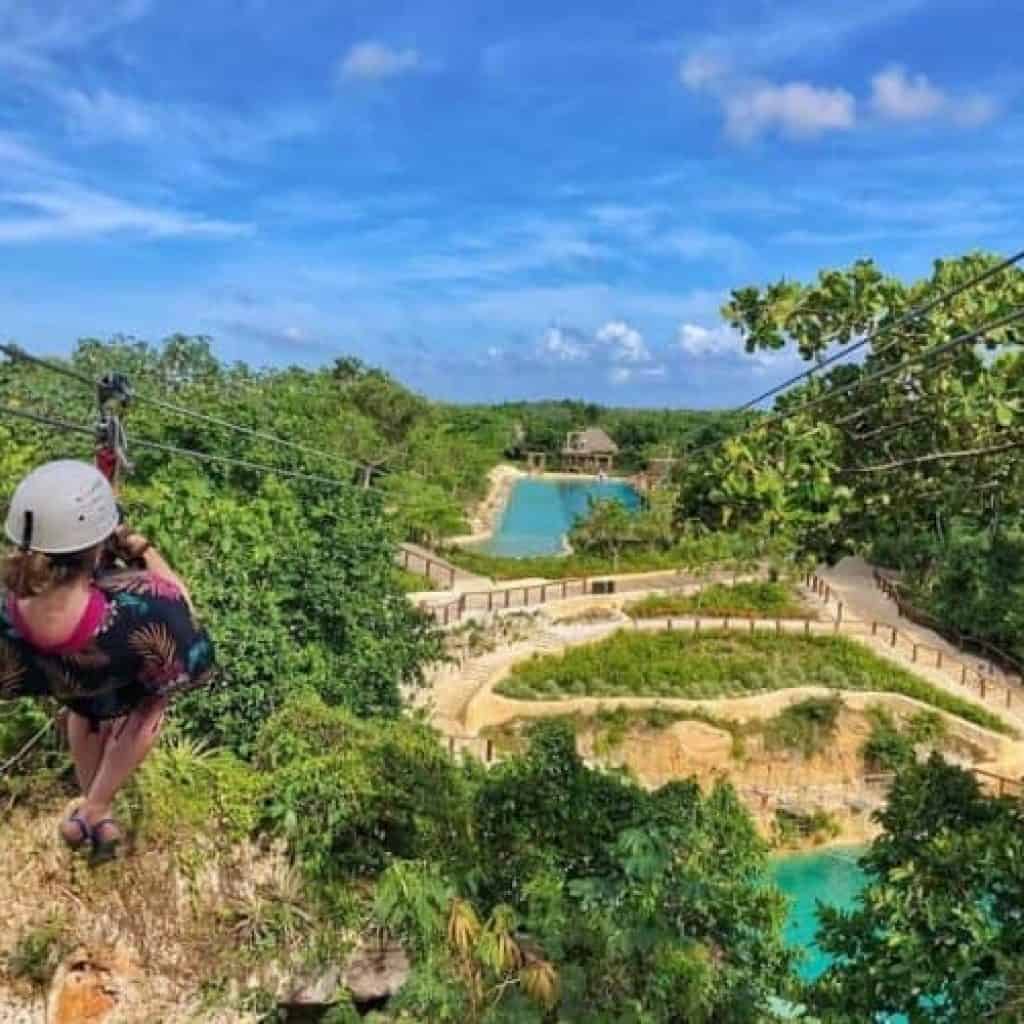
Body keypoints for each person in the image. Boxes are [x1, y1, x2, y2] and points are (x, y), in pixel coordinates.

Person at [0, 460, 215, 859]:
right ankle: (96, 807)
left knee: (85, 713)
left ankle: (92, 815)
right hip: (119, 679)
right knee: (151, 707)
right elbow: (179, 601)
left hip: (66, 684)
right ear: (96, 548)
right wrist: (137, 544)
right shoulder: (140, 608)